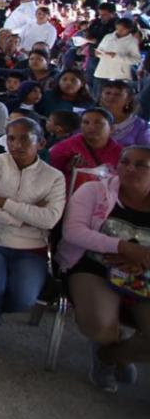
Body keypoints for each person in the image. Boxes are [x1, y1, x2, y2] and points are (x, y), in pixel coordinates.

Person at [55, 145, 150, 392]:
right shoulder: (95, 190)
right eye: (125, 162)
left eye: (141, 165)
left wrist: (141, 260)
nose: (130, 168)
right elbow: (73, 232)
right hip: (94, 264)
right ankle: (111, 346)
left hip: (144, 272)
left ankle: (111, 357)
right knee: (99, 327)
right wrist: (122, 248)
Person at [0, 117, 67, 341]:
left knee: (24, 299)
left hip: (30, 248)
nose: (16, 145)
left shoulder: (54, 177)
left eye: (24, 139)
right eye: (11, 138)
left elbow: (49, 219)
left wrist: (5, 203)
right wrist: (24, 218)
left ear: (41, 143)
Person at [48, 107, 122, 196]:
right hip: (71, 199)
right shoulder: (64, 148)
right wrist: (68, 169)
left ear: (112, 128)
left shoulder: (121, 153)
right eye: (86, 122)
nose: (91, 127)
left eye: (98, 123)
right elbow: (49, 176)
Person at [99, 80, 150, 147]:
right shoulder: (89, 118)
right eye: (108, 93)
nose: (111, 97)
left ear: (128, 99)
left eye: (118, 94)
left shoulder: (141, 126)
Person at [94, 17, 141, 84]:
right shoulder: (108, 37)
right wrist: (98, 53)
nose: (119, 31)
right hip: (103, 71)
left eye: (122, 30)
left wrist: (116, 56)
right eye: (117, 29)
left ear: (129, 29)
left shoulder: (132, 41)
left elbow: (136, 59)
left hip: (119, 74)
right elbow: (100, 49)